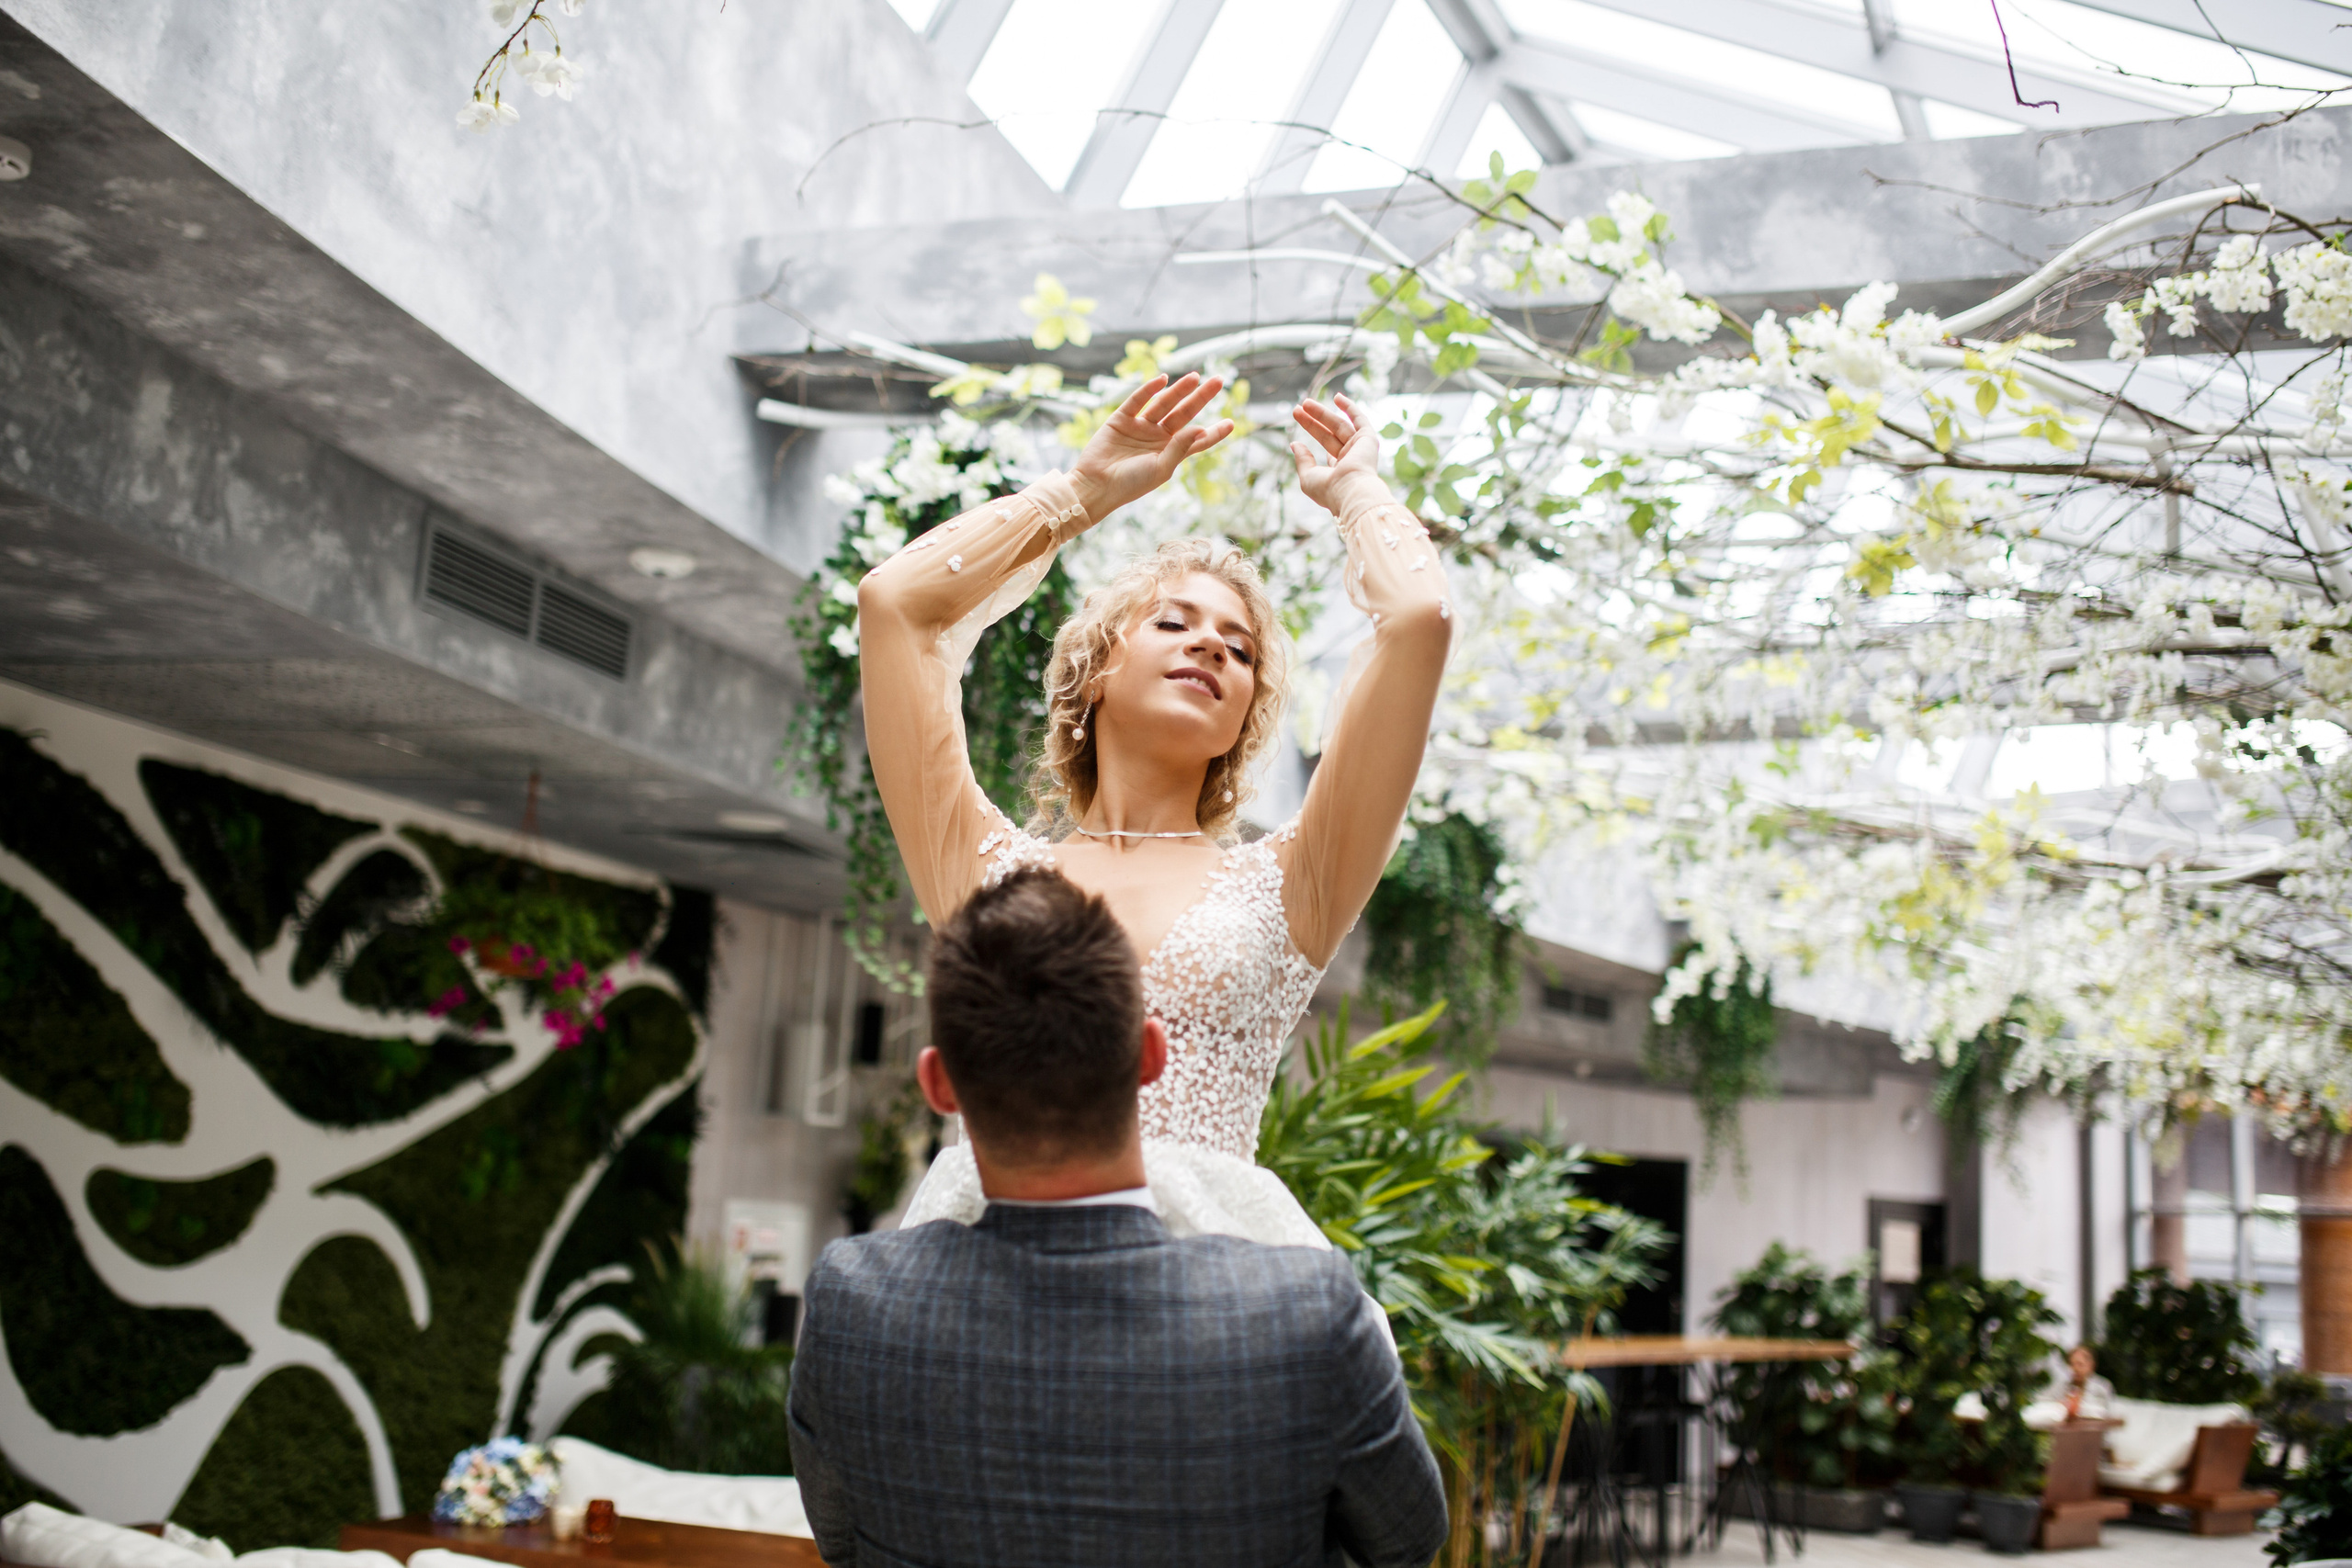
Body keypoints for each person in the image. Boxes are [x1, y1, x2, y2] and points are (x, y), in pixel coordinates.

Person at [856, 372, 1450, 1246]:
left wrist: (1356, 489)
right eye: (1174, 623)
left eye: (1240, 648)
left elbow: (1419, 619)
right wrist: (1080, 493)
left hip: (1214, 1318)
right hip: (995, 1300)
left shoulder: (1296, 881)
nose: (1211, 641)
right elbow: (894, 605)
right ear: (1095, 670)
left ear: (1244, 713)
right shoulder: (979, 871)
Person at [786, 868, 1449, 1568]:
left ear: (938, 1082)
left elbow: (838, 1537)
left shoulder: (852, 1305)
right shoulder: (1308, 1316)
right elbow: (1408, 1539)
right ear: (1151, 1054)